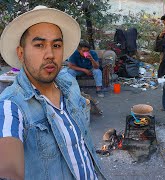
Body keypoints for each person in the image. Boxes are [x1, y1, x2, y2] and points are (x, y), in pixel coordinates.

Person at [0, 6, 105, 179]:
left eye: (56, 45)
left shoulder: (69, 84)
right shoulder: (10, 106)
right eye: (39, 45)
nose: (50, 54)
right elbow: (8, 168)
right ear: (21, 53)